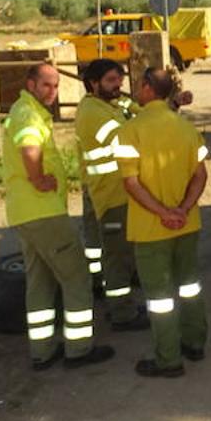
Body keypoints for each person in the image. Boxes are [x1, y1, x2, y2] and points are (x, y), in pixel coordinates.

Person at [3, 63, 114, 370]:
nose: (52, 92)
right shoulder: (28, 114)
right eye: (46, 86)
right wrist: (38, 179)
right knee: (76, 275)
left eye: (55, 86)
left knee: (39, 282)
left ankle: (42, 351)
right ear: (30, 84)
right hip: (44, 212)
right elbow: (29, 148)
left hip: (24, 213)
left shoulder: (23, 110)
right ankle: (79, 349)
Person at [116, 68, 209, 378]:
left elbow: (131, 182)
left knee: (159, 298)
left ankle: (168, 359)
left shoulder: (130, 131)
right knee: (190, 287)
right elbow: (201, 175)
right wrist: (181, 209)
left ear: (145, 88)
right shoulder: (187, 128)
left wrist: (162, 212)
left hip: (150, 229)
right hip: (188, 225)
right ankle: (195, 343)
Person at [74, 58, 150, 331]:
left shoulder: (112, 103)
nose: (117, 85)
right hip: (110, 194)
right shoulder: (93, 113)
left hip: (115, 191)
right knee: (117, 255)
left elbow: (139, 111)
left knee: (114, 251)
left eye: (119, 79)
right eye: (110, 80)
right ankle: (122, 313)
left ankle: (110, 294)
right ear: (93, 84)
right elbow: (130, 135)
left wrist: (165, 106)